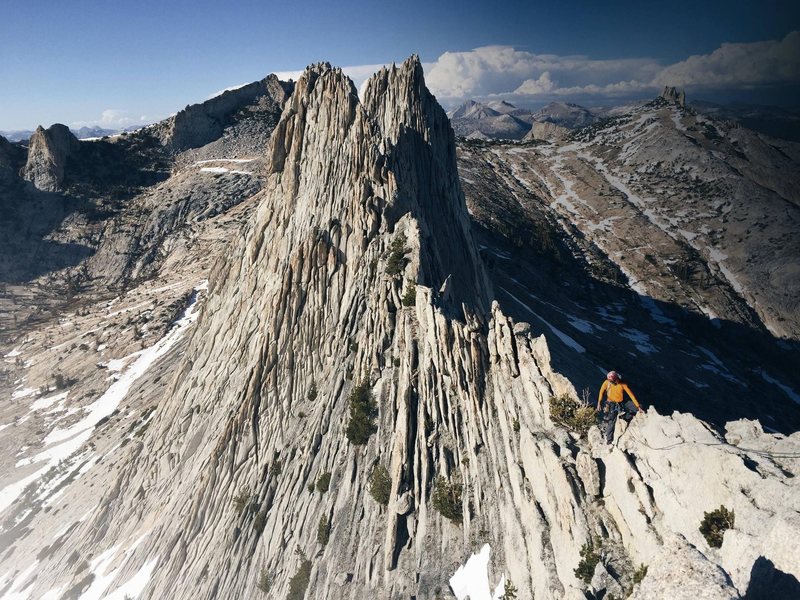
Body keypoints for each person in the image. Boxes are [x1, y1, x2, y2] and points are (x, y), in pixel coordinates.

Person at [597, 371, 643, 444]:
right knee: (611, 420)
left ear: (616, 379)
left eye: (612, 381)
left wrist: (638, 406)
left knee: (637, 407)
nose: (611, 382)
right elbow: (601, 391)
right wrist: (599, 402)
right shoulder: (607, 382)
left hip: (621, 402)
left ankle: (624, 417)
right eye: (610, 381)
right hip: (611, 403)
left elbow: (631, 395)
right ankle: (609, 440)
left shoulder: (622, 384)